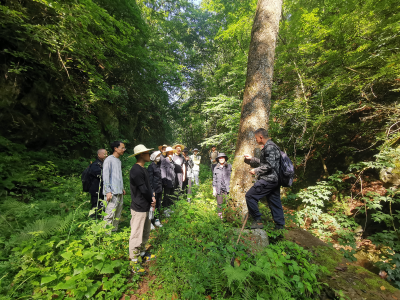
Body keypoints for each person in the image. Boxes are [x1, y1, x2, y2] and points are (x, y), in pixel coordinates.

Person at [244, 128, 284, 230]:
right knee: (274, 201)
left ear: (261, 137)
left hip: (268, 179)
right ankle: (279, 227)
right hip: (275, 180)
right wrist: (252, 159)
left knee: (250, 196)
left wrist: (256, 170)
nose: (256, 140)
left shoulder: (269, 147)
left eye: (256, 138)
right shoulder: (272, 146)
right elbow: (267, 163)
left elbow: (269, 166)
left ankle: (258, 221)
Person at [128, 144, 157, 274]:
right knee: (136, 234)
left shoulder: (143, 169)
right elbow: (143, 189)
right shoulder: (135, 170)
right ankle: (134, 260)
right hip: (139, 207)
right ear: (141, 155)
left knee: (145, 232)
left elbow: (148, 187)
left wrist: (153, 197)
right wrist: (151, 199)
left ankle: (143, 253)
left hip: (146, 206)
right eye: (147, 153)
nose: (149, 155)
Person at [102, 141, 126, 232]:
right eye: (122, 148)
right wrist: (108, 191)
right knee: (109, 215)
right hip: (112, 193)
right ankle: (106, 235)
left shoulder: (118, 160)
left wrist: (122, 188)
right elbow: (106, 176)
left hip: (119, 192)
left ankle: (114, 232)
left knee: (117, 214)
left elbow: (118, 176)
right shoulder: (109, 160)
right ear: (115, 148)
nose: (124, 149)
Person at [88, 149, 107, 219]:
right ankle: (93, 222)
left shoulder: (102, 164)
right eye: (105, 154)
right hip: (96, 191)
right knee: (96, 208)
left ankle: (100, 221)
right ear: (99, 155)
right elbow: (103, 176)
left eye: (107, 154)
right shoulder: (95, 165)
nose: (106, 155)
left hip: (102, 191)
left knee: (102, 207)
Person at [212, 153, 232, 219]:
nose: (221, 159)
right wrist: (214, 189)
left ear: (225, 159)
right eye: (220, 158)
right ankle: (220, 218)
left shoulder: (229, 166)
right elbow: (214, 179)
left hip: (228, 188)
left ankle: (228, 217)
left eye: (222, 158)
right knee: (219, 203)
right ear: (218, 159)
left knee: (228, 203)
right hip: (219, 188)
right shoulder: (216, 168)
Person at [148, 151, 163, 227]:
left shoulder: (158, 166)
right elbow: (150, 180)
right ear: (153, 157)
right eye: (157, 156)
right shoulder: (151, 166)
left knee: (158, 204)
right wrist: (152, 191)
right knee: (152, 206)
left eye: (160, 156)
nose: (159, 157)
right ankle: (150, 222)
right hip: (154, 189)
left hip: (159, 188)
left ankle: (157, 219)